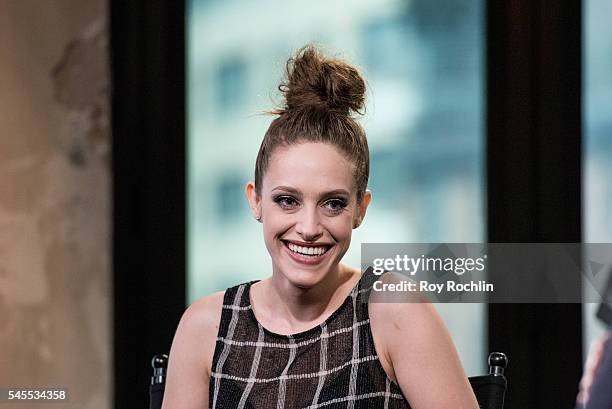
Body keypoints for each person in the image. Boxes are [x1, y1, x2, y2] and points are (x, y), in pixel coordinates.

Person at [161, 44, 479, 409]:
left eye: (333, 203)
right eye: (288, 200)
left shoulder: (394, 310)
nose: (309, 227)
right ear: (255, 200)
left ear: (360, 209)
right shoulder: (205, 327)